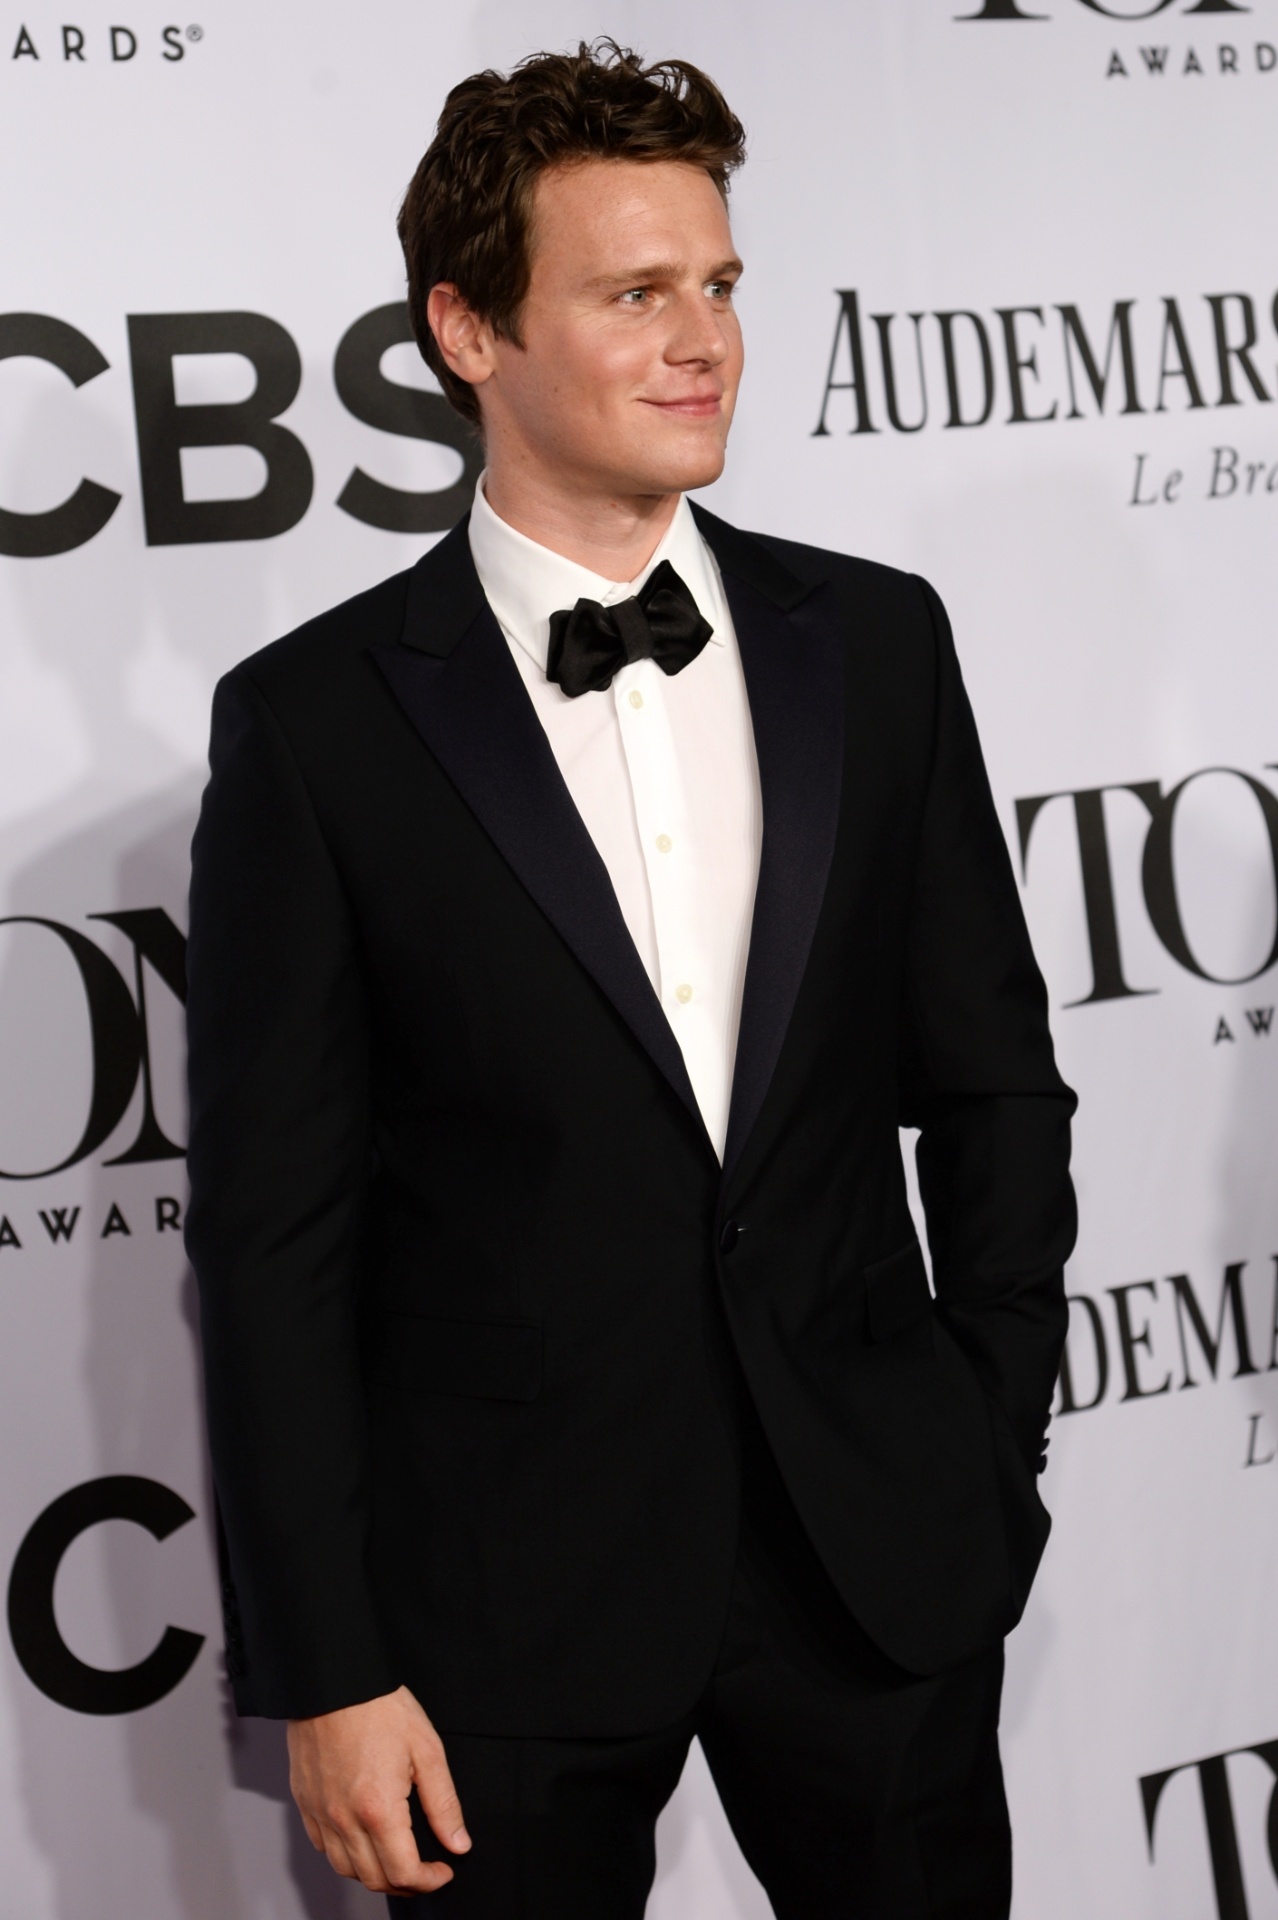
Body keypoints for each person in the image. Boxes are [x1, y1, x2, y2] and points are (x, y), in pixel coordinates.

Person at [186, 41, 1076, 1920]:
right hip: (499, 1608)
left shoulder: (879, 648)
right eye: (635, 293)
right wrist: (328, 1666)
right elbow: (273, 1239)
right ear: (466, 329)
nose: (706, 342)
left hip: (875, 1563)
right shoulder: (319, 729)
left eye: (722, 285)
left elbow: (993, 1081)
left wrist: (985, 1439)